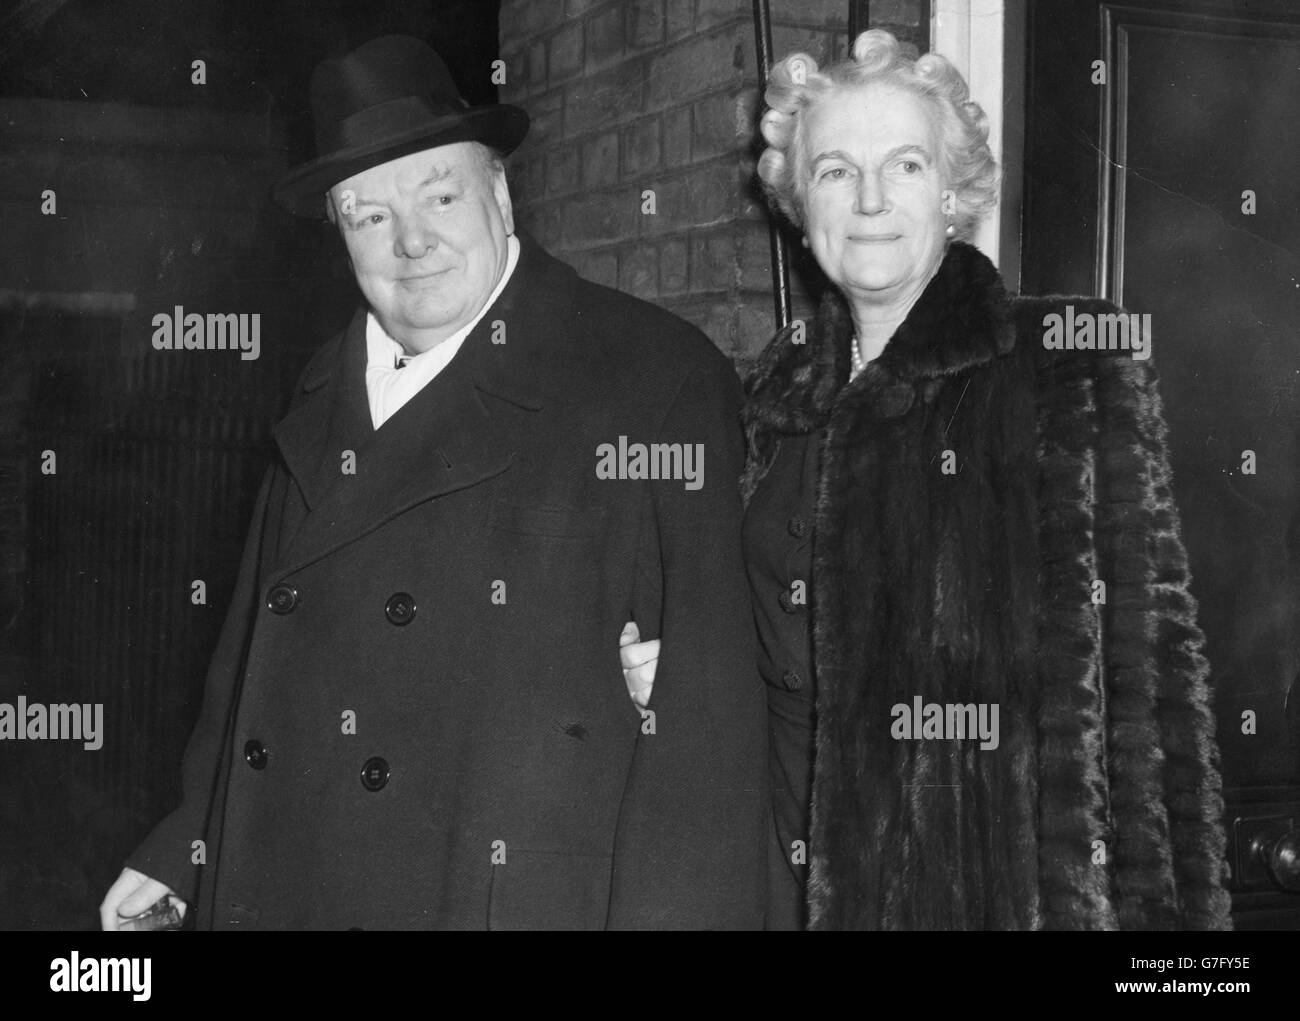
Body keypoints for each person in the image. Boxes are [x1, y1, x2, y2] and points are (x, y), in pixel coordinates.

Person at [100, 35, 766, 930]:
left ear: (499, 192)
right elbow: (250, 670)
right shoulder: (317, 394)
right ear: (339, 237)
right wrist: (189, 844)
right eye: (369, 216)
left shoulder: (652, 379)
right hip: (285, 881)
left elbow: (706, 735)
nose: (411, 241)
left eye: (439, 195)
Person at [624, 29, 1233, 930]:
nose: (869, 198)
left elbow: (1152, 705)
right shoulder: (776, 399)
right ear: (799, 204)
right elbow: (778, 659)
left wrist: (1178, 972)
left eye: (904, 164)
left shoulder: (1063, 360)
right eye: (835, 171)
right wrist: (686, 679)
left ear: (952, 191)